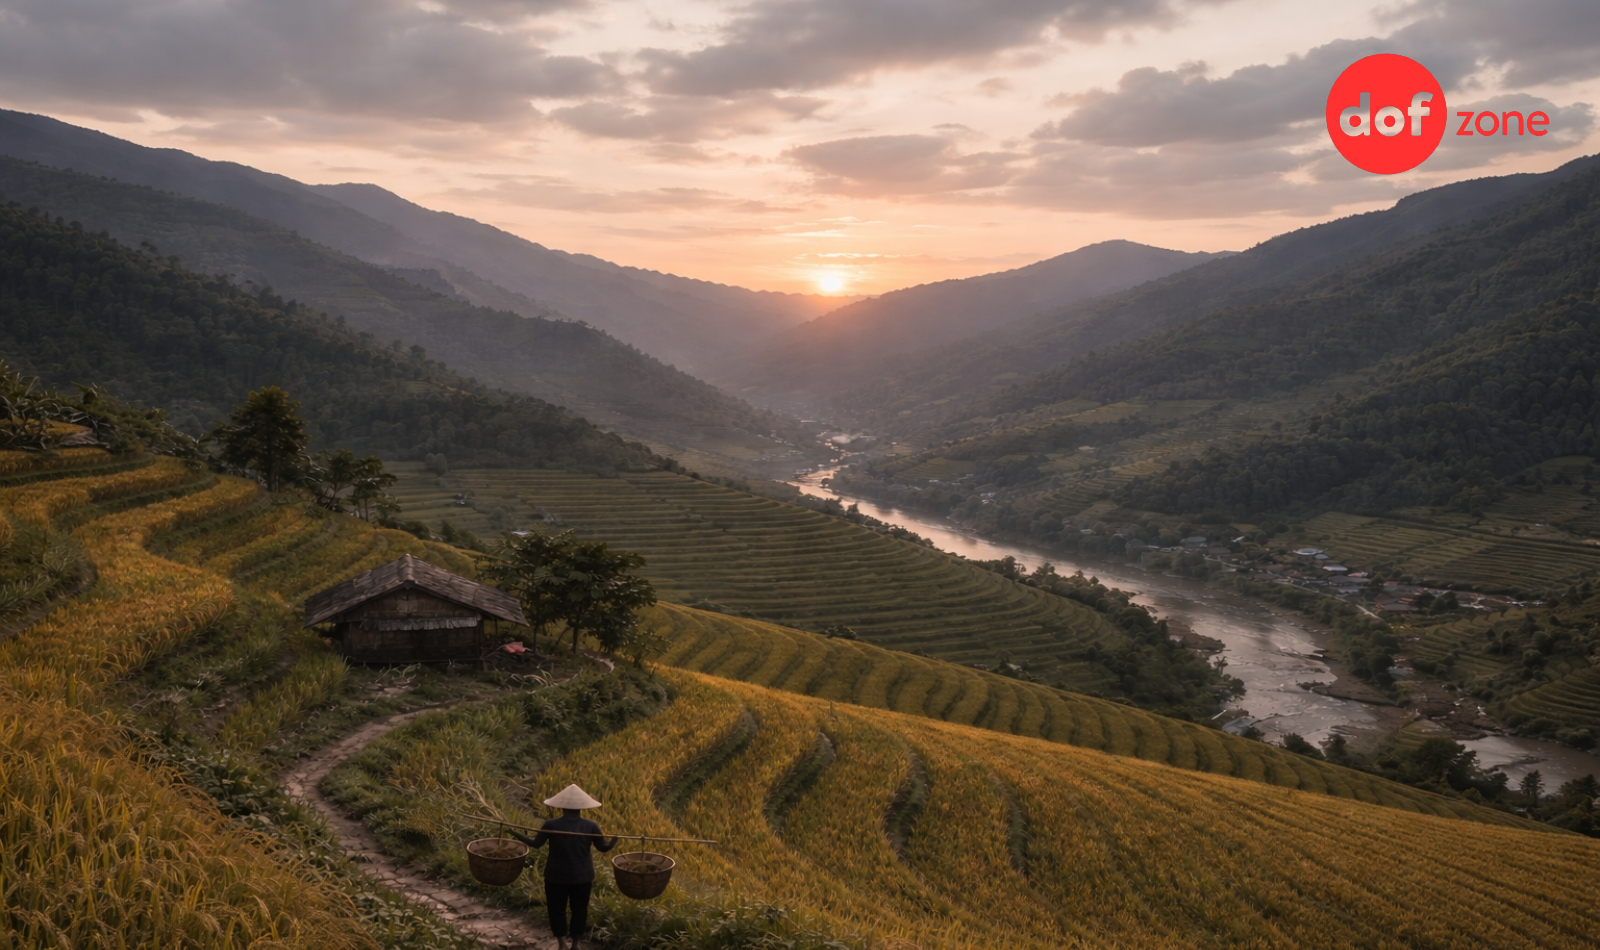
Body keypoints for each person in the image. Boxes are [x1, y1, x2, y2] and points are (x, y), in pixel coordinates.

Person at [511, 784, 615, 950]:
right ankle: (575, 944)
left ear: (562, 806)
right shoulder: (591, 826)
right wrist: (614, 841)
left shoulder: (551, 825)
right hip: (582, 876)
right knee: (579, 910)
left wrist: (516, 834)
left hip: (556, 875)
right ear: (581, 807)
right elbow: (603, 848)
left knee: (556, 909)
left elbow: (536, 844)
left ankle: (561, 944)